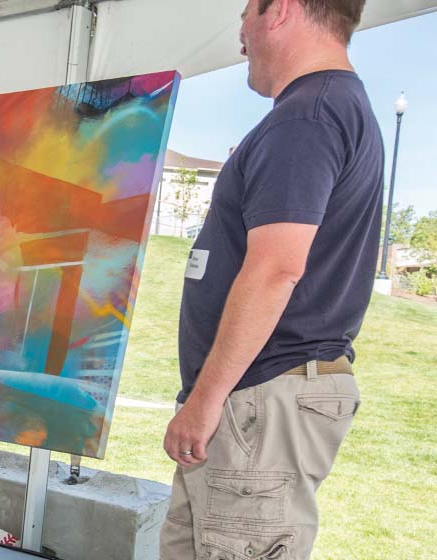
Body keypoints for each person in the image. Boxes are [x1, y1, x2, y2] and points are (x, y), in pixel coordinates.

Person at [159, 0, 380, 557]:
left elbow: (276, 267)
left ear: (278, 10)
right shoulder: (330, 107)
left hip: (261, 396)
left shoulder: (309, 116)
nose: (240, 33)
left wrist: (207, 400)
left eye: (245, 14)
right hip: (263, 397)